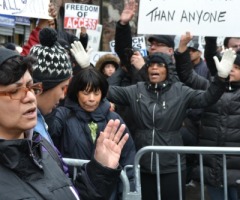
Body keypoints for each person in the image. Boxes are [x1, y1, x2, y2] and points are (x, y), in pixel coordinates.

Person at [106, 39, 236, 199]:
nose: (154, 68)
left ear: (168, 70)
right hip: (142, 163)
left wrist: (221, 78)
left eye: (160, 65)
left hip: (172, 165)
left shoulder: (180, 91)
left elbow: (207, 99)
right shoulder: (136, 90)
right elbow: (106, 91)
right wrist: (87, 69)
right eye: (151, 65)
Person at [0, 47, 129, 200]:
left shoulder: (41, 146)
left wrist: (100, 170)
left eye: (30, 86)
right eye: (15, 91)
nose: (30, 97)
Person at [47, 67, 136, 200]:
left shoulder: (114, 119)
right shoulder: (62, 115)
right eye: (86, 92)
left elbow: (128, 159)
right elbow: (49, 130)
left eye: (96, 93)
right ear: (76, 92)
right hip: (74, 191)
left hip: (108, 193)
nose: (91, 99)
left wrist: (128, 193)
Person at [176, 32, 240, 200]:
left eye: (236, 67)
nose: (231, 70)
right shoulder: (209, 88)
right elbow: (187, 75)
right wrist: (182, 49)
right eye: (229, 66)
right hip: (213, 166)